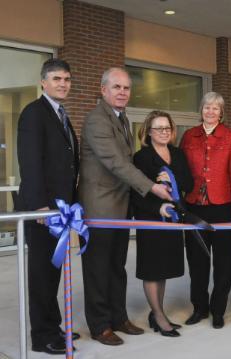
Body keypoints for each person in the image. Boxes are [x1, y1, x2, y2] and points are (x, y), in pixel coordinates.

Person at [79, 67, 172, 346]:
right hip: (100, 208)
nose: (122, 92)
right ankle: (99, 325)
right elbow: (117, 163)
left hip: (119, 208)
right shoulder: (97, 120)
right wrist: (152, 186)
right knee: (98, 268)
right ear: (103, 89)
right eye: (116, 87)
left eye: (126, 88)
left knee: (117, 267)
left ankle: (118, 318)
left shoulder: (121, 117)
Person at [17, 58, 79, 355]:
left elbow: (67, 163)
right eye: (57, 79)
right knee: (42, 274)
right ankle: (42, 337)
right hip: (43, 212)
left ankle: (54, 327)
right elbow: (29, 163)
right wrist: (39, 205)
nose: (63, 84)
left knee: (53, 272)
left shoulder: (61, 115)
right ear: (43, 82)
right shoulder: (34, 113)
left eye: (66, 79)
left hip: (61, 210)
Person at [179, 92, 231, 329]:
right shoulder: (188, 136)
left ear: (221, 112)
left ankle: (218, 310)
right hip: (195, 206)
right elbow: (182, 171)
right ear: (201, 109)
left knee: (224, 262)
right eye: (207, 107)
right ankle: (199, 308)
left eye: (216, 108)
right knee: (197, 261)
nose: (211, 111)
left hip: (223, 206)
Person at [131, 111, 193, 337]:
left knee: (163, 269)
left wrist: (171, 178)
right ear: (148, 131)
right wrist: (157, 207)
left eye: (167, 128)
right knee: (152, 268)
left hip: (172, 220)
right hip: (151, 219)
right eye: (158, 128)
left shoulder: (177, 153)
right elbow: (136, 194)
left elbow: (189, 182)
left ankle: (158, 311)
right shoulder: (142, 157)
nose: (164, 132)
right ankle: (158, 315)